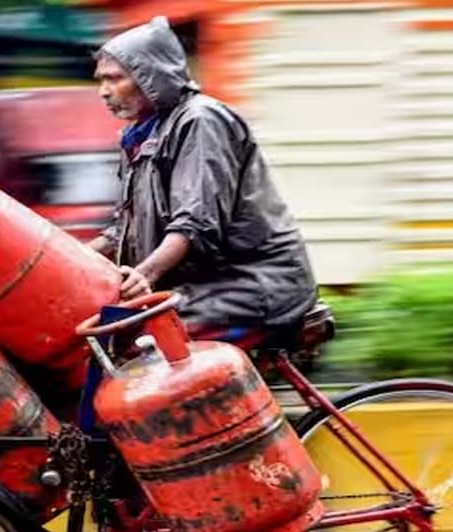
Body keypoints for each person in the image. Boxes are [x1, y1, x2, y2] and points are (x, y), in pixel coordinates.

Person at [89, 16, 318, 343]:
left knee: (139, 339)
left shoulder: (201, 121)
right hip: (206, 286)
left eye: (114, 79)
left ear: (150, 76)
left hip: (249, 285)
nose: (104, 92)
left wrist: (144, 274)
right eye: (101, 80)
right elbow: (121, 229)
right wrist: (61, 259)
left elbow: (195, 223)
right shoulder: (139, 137)